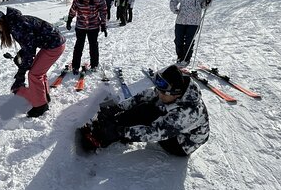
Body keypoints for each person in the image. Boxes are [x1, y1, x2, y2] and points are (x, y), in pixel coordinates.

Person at [78, 64, 209, 155]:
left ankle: (104, 136)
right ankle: (109, 126)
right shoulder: (171, 91)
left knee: (147, 114)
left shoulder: (186, 113)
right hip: (173, 124)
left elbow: (154, 132)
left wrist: (120, 131)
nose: (159, 93)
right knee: (146, 105)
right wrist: (118, 107)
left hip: (181, 144)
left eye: (163, 93)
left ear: (176, 94)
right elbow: (144, 96)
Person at [0, 7, 65, 118]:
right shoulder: (15, 22)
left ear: (0, 20)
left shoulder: (18, 26)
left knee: (34, 74)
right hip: (51, 44)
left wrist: (21, 72)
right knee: (37, 71)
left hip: (54, 45)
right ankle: (44, 95)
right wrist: (21, 54)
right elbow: (29, 43)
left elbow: (30, 51)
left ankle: (40, 106)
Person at [169, 0, 212, 67]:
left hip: (194, 22)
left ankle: (186, 59)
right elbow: (174, 0)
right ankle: (180, 57)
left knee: (189, 41)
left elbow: (204, 6)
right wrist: (175, 10)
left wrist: (208, 0)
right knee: (178, 41)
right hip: (181, 21)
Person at [66, 0, 107, 73]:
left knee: (93, 46)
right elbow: (73, 8)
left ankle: (94, 65)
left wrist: (103, 24)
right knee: (79, 46)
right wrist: (69, 19)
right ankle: (75, 65)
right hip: (81, 25)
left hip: (93, 26)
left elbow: (103, 11)